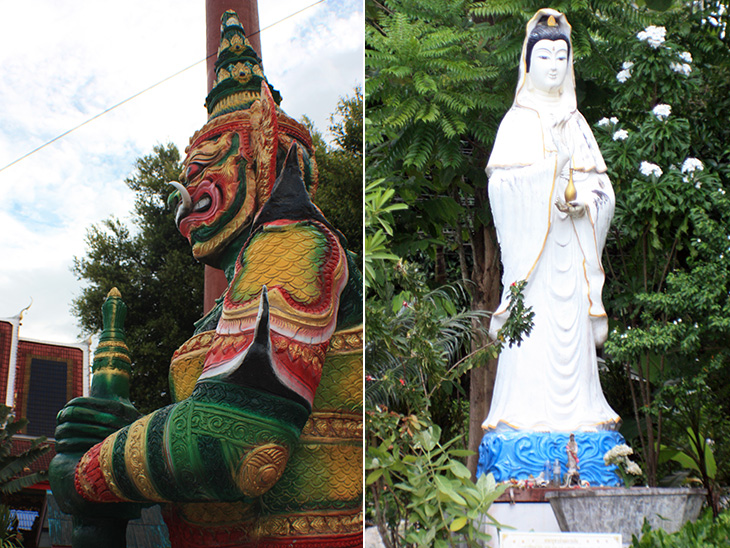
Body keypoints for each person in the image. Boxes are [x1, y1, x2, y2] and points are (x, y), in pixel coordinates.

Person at [482, 9, 619, 434]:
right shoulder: (518, 121)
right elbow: (501, 188)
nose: (554, 66)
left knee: (573, 343)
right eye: (545, 56)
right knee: (531, 336)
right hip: (534, 261)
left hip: (572, 250)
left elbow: (604, 191)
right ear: (528, 62)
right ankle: (521, 422)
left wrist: (584, 204)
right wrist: (546, 179)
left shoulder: (577, 125)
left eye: (562, 56)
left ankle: (582, 418)